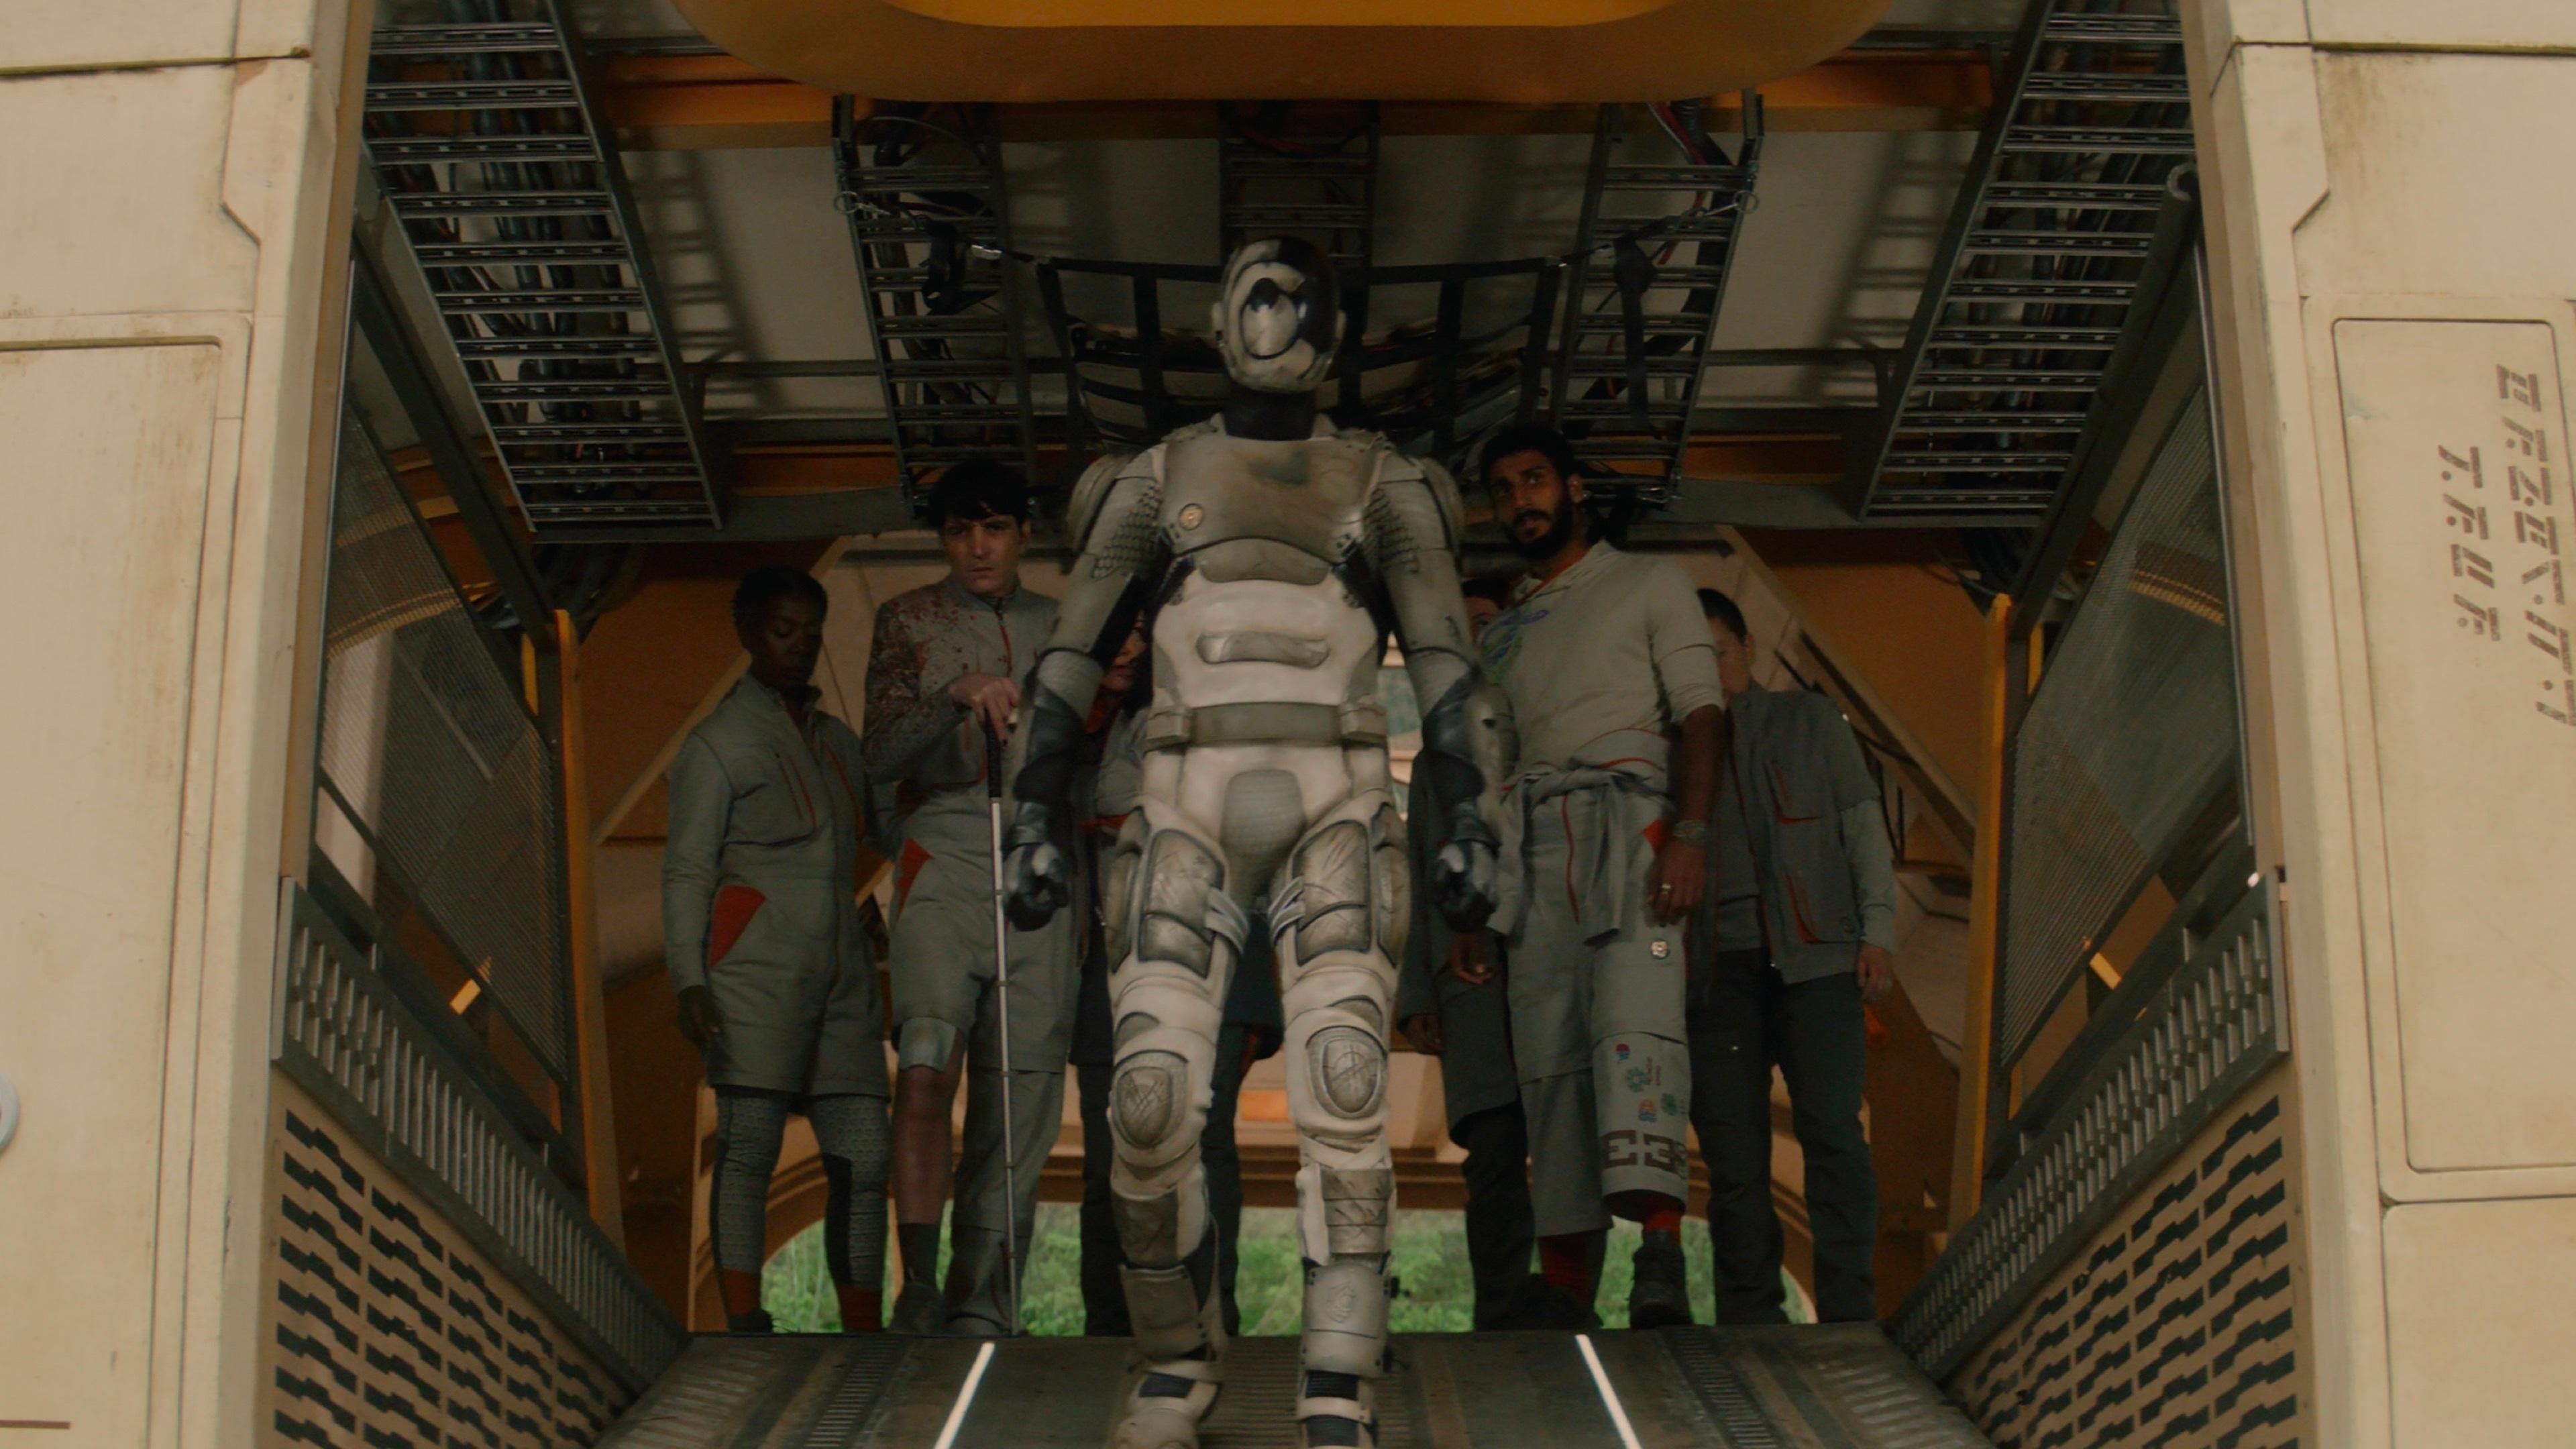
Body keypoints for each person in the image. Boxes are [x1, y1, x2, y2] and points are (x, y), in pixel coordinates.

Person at [1000, 237, 1501, 1449]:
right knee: (1148, 1109)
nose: (1277, 320)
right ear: (1220, 325)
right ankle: (1175, 1362)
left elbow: (1449, 672)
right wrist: (1032, 808)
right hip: (1186, 807)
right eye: (1257, 297)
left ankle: (1339, 1375)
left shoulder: (1386, 483)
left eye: (1299, 301)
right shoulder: (1150, 483)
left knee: (1346, 1093)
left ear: (1334, 337)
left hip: (1339, 805)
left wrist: (1477, 812)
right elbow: (1069, 658)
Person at [1472, 421, 1725, 1332]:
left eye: (1535, 479)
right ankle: (1568, 1291)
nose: (1522, 501)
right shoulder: (1503, 633)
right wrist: (1478, 905)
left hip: (1637, 837)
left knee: (1637, 1028)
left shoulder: (1650, 583)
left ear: (1575, 487)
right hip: (1535, 851)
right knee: (1548, 1056)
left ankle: (1660, 1257)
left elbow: (1703, 714)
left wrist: (1688, 836)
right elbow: (1490, 765)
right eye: (1505, 489)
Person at [861, 460, 1077, 1337]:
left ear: (1024, 533)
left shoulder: (1065, 626)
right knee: (924, 1064)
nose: (978, 547)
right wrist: (954, 695)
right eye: (959, 531)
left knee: (1020, 1092)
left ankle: (983, 1299)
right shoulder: (908, 618)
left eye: (994, 528)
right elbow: (879, 752)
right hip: (943, 846)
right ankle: (917, 1284)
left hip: (1042, 856)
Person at [662, 565, 890, 1333]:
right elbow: (687, 869)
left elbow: (886, 832)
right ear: (749, 635)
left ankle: (864, 1327)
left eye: (811, 633)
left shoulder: (839, 744)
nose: (799, 646)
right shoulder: (717, 744)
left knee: (865, 1156)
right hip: (752, 976)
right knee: (750, 1146)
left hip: (844, 977)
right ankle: (744, 1321)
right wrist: (690, 979)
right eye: (783, 631)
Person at [1690, 588, 1894, 1325]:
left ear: (1745, 645)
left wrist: (1878, 932)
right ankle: (1749, 1317)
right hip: (1718, 973)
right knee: (1734, 1156)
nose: (1706, 669)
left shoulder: (1810, 721)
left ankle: (1848, 1311)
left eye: (1715, 651)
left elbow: (1862, 826)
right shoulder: (1674, 745)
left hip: (1818, 960)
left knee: (1834, 1133)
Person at [1397, 574, 1539, 1330]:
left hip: (1545, 957)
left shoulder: (1549, 733)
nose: (1482, 639)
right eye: (1470, 627)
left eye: (1493, 622)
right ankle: (1502, 1309)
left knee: (1562, 1136)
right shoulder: (1433, 762)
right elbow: (1418, 870)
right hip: (1468, 974)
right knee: (1492, 1146)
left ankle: (1568, 1302)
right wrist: (1416, 994)